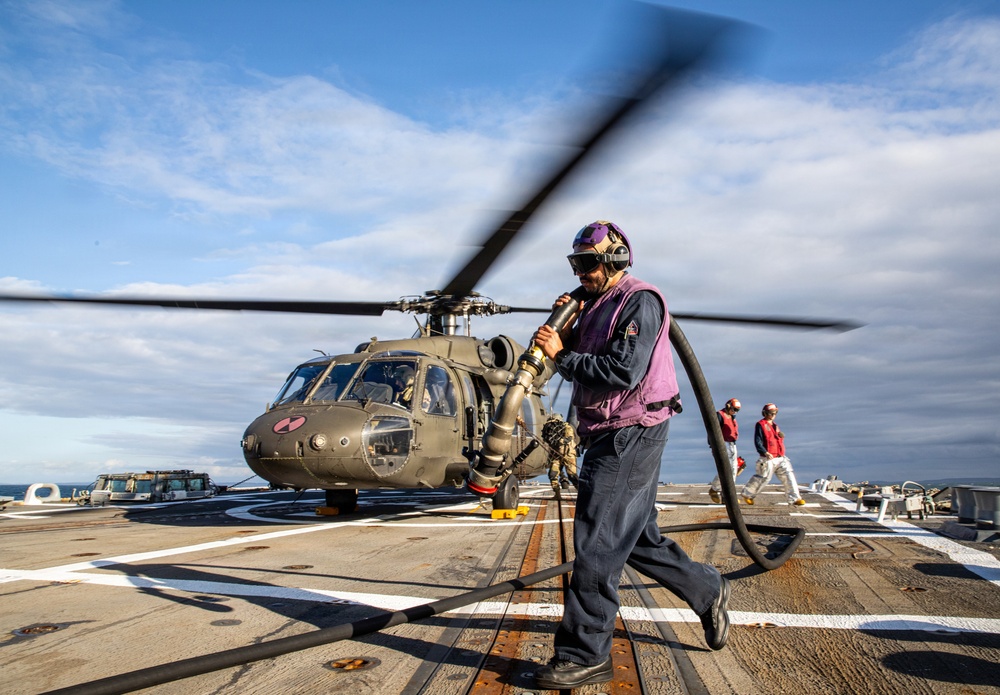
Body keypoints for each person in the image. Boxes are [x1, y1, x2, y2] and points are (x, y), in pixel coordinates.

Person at [531, 220, 731, 690]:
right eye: (575, 263)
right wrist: (567, 328)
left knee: (597, 543)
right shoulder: (596, 304)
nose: (581, 272)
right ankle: (707, 589)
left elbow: (624, 369)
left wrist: (562, 355)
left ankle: (585, 653)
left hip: (632, 431)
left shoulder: (640, 299)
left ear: (616, 259)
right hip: (604, 431)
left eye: (589, 263)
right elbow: (584, 354)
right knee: (633, 538)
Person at [740, 403, 805, 506]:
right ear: (765, 413)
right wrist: (765, 452)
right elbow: (758, 441)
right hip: (767, 458)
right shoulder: (760, 425)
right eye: (771, 413)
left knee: (789, 476)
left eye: (775, 413)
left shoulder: (775, 426)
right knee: (763, 478)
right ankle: (748, 494)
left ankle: (795, 498)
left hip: (780, 457)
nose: (773, 415)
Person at [708, 398, 744, 504]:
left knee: (732, 471)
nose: (735, 412)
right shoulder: (720, 415)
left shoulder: (732, 418)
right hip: (722, 444)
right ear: (728, 406)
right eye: (734, 409)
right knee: (726, 470)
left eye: (737, 410)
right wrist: (713, 446)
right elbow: (712, 430)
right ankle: (726, 496)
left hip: (732, 445)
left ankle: (719, 492)